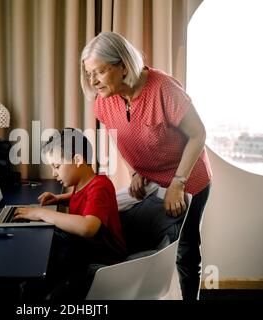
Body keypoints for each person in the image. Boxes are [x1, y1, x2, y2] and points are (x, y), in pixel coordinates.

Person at [80, 32, 212, 300]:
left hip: (187, 177)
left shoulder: (163, 88)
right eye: (88, 73)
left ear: (123, 66)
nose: (92, 81)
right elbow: (124, 137)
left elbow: (198, 134)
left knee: (185, 249)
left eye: (100, 72)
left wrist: (178, 183)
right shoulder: (104, 100)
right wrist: (135, 171)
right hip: (152, 178)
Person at [14, 128, 127, 300]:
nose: (53, 173)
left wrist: (42, 213)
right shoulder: (85, 184)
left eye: (57, 166)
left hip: (103, 263)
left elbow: (88, 227)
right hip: (86, 253)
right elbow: (81, 199)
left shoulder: (100, 186)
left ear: (77, 159)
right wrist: (59, 199)